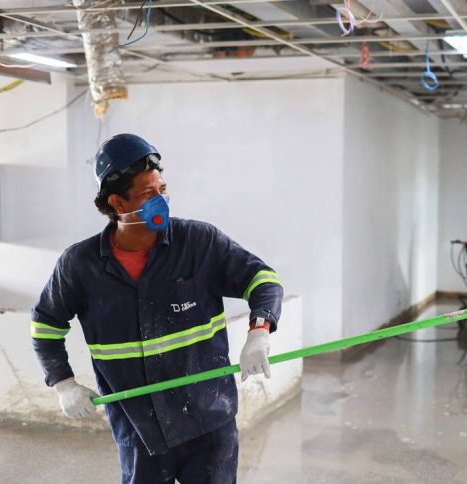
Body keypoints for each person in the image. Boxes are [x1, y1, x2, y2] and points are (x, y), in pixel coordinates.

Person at [30, 133, 283, 483]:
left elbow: (263, 280)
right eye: (149, 194)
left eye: (163, 189)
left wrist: (260, 331)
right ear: (118, 203)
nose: (162, 200)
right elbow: (45, 325)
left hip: (209, 423)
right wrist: (64, 384)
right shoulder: (80, 265)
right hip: (139, 430)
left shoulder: (198, 243)